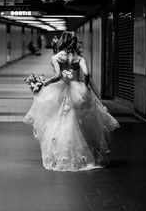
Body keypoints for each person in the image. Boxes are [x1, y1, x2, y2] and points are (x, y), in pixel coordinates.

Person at [24, 31, 120, 171]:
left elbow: (57, 76)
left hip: (60, 89)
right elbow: (86, 73)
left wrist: (46, 82)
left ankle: (60, 156)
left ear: (62, 41)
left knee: (58, 121)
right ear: (74, 42)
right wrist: (85, 86)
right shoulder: (79, 58)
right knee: (82, 122)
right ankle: (88, 153)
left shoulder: (56, 57)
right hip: (77, 89)